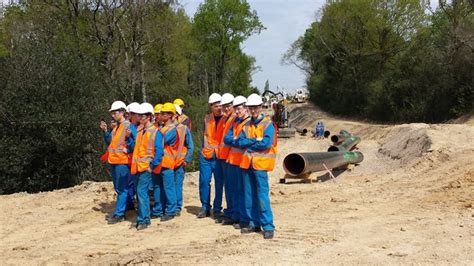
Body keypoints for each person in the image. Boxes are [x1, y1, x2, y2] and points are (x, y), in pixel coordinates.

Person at [236, 93, 276, 239]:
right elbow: (240, 142)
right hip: (246, 164)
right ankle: (253, 223)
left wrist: (250, 145)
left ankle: (268, 226)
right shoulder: (245, 125)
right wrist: (254, 140)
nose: (253, 111)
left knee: (261, 195)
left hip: (260, 165)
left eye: (255, 108)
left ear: (260, 107)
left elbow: (266, 143)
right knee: (249, 195)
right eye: (251, 108)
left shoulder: (267, 124)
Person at [101, 101, 137, 224]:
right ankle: (125, 209)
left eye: (114, 112)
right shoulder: (116, 127)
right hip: (114, 160)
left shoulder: (129, 126)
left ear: (122, 112)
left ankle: (119, 214)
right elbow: (110, 142)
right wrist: (106, 132)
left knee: (122, 188)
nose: (112, 115)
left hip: (122, 161)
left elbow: (135, 144)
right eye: (112, 113)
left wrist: (129, 139)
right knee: (118, 188)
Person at [130, 103, 164, 230]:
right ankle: (144, 218)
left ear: (149, 117)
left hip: (146, 168)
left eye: (141, 116)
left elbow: (159, 152)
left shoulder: (155, 133)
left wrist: (152, 166)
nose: (139, 118)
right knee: (140, 193)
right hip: (138, 167)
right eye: (138, 115)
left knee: (141, 192)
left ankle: (144, 219)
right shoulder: (140, 132)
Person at [223, 95, 251, 229]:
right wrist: (235, 139)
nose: (237, 112)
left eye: (239, 109)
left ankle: (244, 218)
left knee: (243, 191)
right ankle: (236, 216)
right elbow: (226, 139)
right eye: (236, 110)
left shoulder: (248, 123)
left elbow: (241, 141)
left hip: (242, 162)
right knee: (234, 190)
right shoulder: (235, 122)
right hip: (232, 161)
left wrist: (235, 140)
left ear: (246, 108)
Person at [198, 93, 224, 218]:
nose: (219, 107)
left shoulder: (227, 119)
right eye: (216, 105)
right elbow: (203, 136)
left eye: (220, 105)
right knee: (204, 181)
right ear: (211, 106)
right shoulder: (207, 119)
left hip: (220, 157)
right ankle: (205, 207)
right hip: (206, 155)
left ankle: (217, 208)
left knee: (219, 183)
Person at [151, 102, 178, 222]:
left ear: (170, 115)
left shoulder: (172, 130)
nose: (160, 115)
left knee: (168, 188)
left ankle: (171, 210)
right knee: (158, 187)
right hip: (158, 163)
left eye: (163, 113)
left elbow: (160, 142)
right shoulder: (161, 128)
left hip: (167, 163)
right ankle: (158, 210)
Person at [216, 93, 237, 224]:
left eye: (228, 106)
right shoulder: (225, 119)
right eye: (224, 106)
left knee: (233, 187)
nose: (226, 109)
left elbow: (231, 140)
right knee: (228, 187)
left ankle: (234, 213)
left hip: (231, 158)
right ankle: (230, 211)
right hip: (223, 157)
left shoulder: (234, 119)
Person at [173, 104, 194, 216]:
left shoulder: (183, 129)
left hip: (179, 162)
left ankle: (177, 207)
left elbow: (190, 145)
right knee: (170, 186)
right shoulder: (163, 129)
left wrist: (187, 159)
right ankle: (171, 206)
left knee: (177, 185)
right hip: (168, 163)